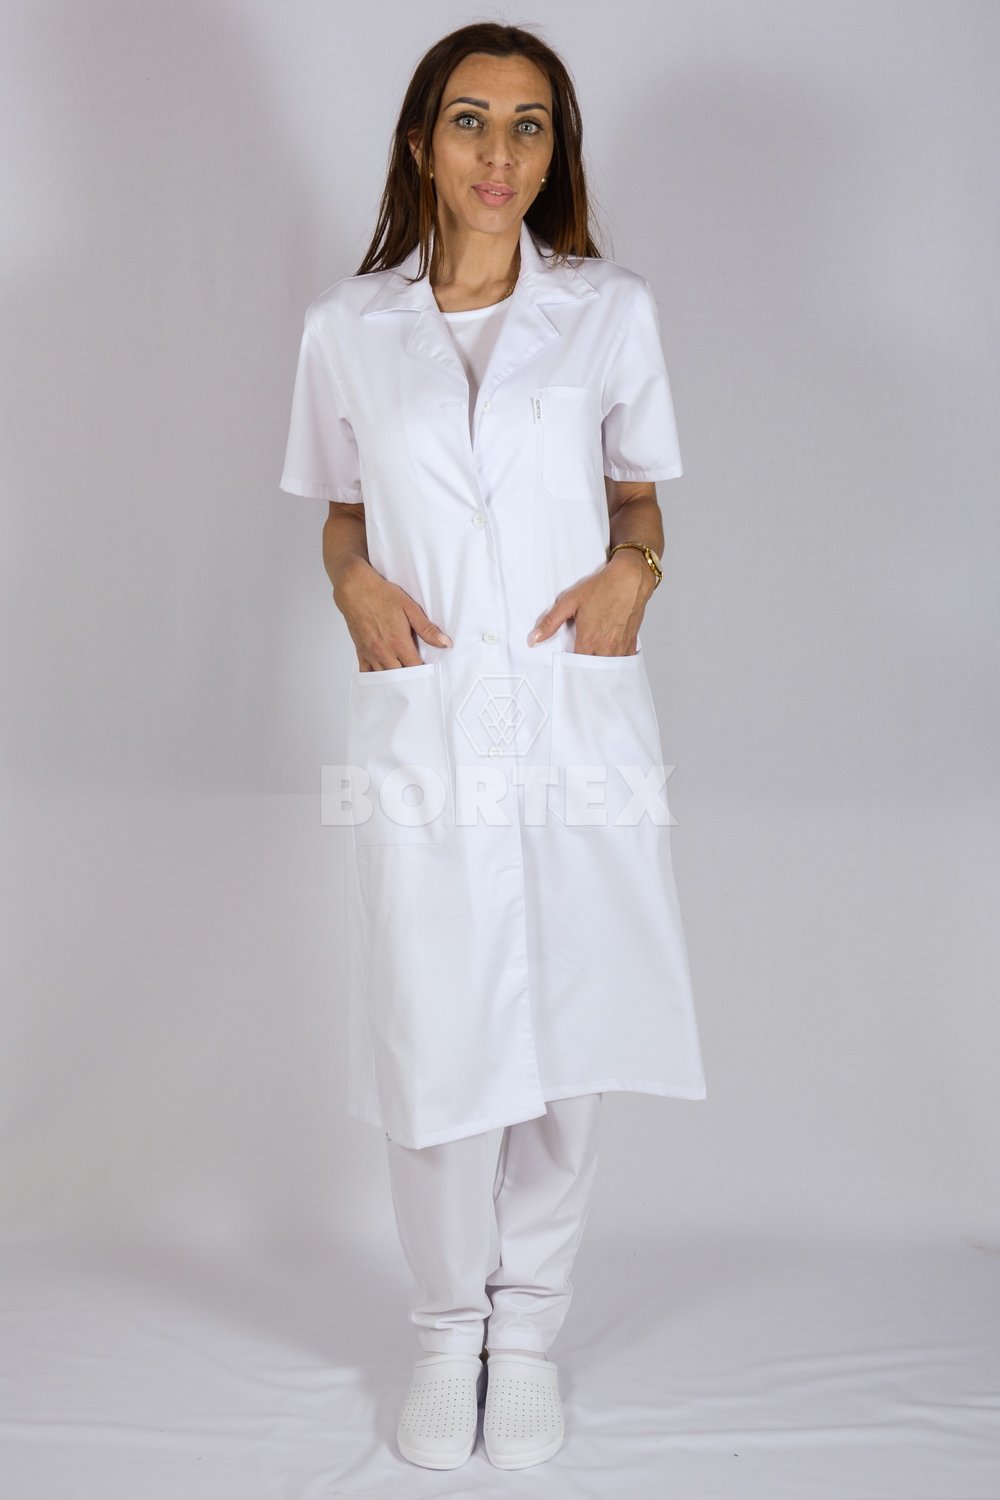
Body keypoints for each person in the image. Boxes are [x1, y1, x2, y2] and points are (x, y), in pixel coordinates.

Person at [279, 21, 707, 1473]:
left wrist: (635, 574)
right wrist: (352, 583)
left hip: (572, 703)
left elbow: (639, 501)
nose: (500, 153)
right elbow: (343, 509)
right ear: (420, 141)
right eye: (471, 120)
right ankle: (442, 1329)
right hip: (432, 712)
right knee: (433, 1022)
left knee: (572, 1021)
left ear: (555, 151)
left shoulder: (609, 311)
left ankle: (526, 1336)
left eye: (531, 126)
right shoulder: (348, 328)